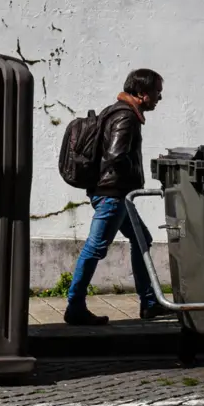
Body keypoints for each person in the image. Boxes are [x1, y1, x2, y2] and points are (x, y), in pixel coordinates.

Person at [63, 68, 171, 326]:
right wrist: (133, 177)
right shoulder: (125, 116)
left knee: (141, 239)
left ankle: (149, 302)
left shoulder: (118, 111)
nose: (159, 97)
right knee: (95, 247)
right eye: (157, 92)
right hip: (113, 194)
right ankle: (75, 305)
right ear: (143, 93)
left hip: (117, 194)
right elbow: (115, 154)